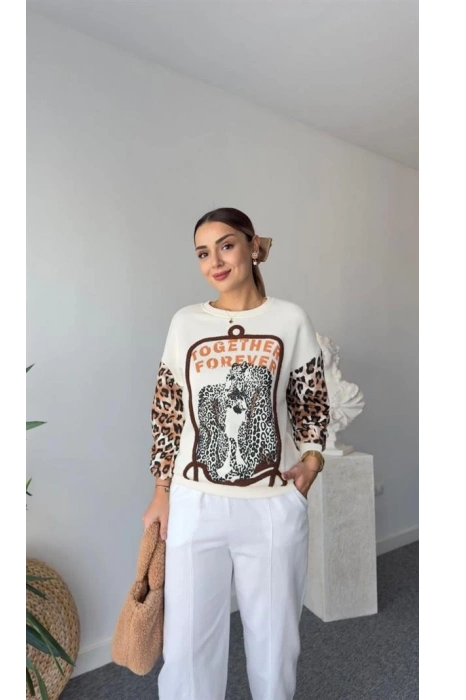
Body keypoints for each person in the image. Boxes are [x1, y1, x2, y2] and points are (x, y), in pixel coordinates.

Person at [142, 207, 330, 700]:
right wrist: (161, 491)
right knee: (186, 646)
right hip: (194, 501)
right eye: (203, 253)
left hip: (271, 503)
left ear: (252, 246)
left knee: (274, 642)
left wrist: (312, 462)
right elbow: (168, 410)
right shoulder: (186, 323)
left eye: (226, 245)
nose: (215, 262)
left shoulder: (289, 319)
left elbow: (310, 400)